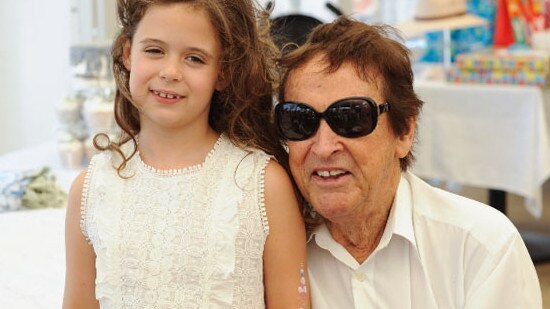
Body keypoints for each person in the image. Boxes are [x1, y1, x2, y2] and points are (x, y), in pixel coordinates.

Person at [275, 16, 542, 308]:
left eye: (350, 118)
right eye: (300, 120)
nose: (324, 147)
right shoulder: (270, 252)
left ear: (404, 131)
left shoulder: (482, 249)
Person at [63, 0, 310, 308]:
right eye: (154, 50)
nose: (170, 72)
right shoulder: (90, 191)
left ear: (222, 72)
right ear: (128, 53)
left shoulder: (263, 185)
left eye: (194, 58)